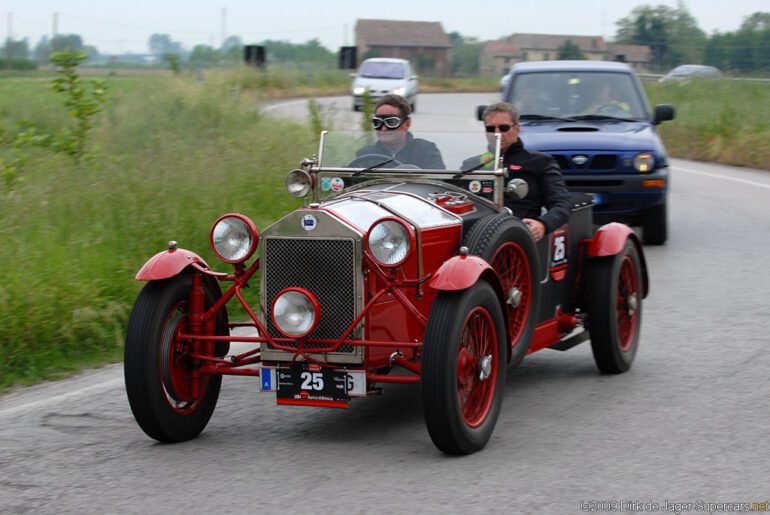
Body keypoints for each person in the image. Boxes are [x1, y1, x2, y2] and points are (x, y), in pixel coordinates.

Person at [463, 102, 570, 241]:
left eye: (503, 128)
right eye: (490, 128)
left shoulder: (540, 163)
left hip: (520, 237)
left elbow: (562, 205)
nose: (496, 133)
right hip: (475, 236)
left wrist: (543, 224)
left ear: (517, 129)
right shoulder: (471, 165)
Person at [355, 94, 445, 169]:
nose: (383, 128)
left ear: (407, 124)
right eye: (377, 122)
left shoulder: (426, 151)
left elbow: (440, 184)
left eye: (391, 122)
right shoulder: (364, 155)